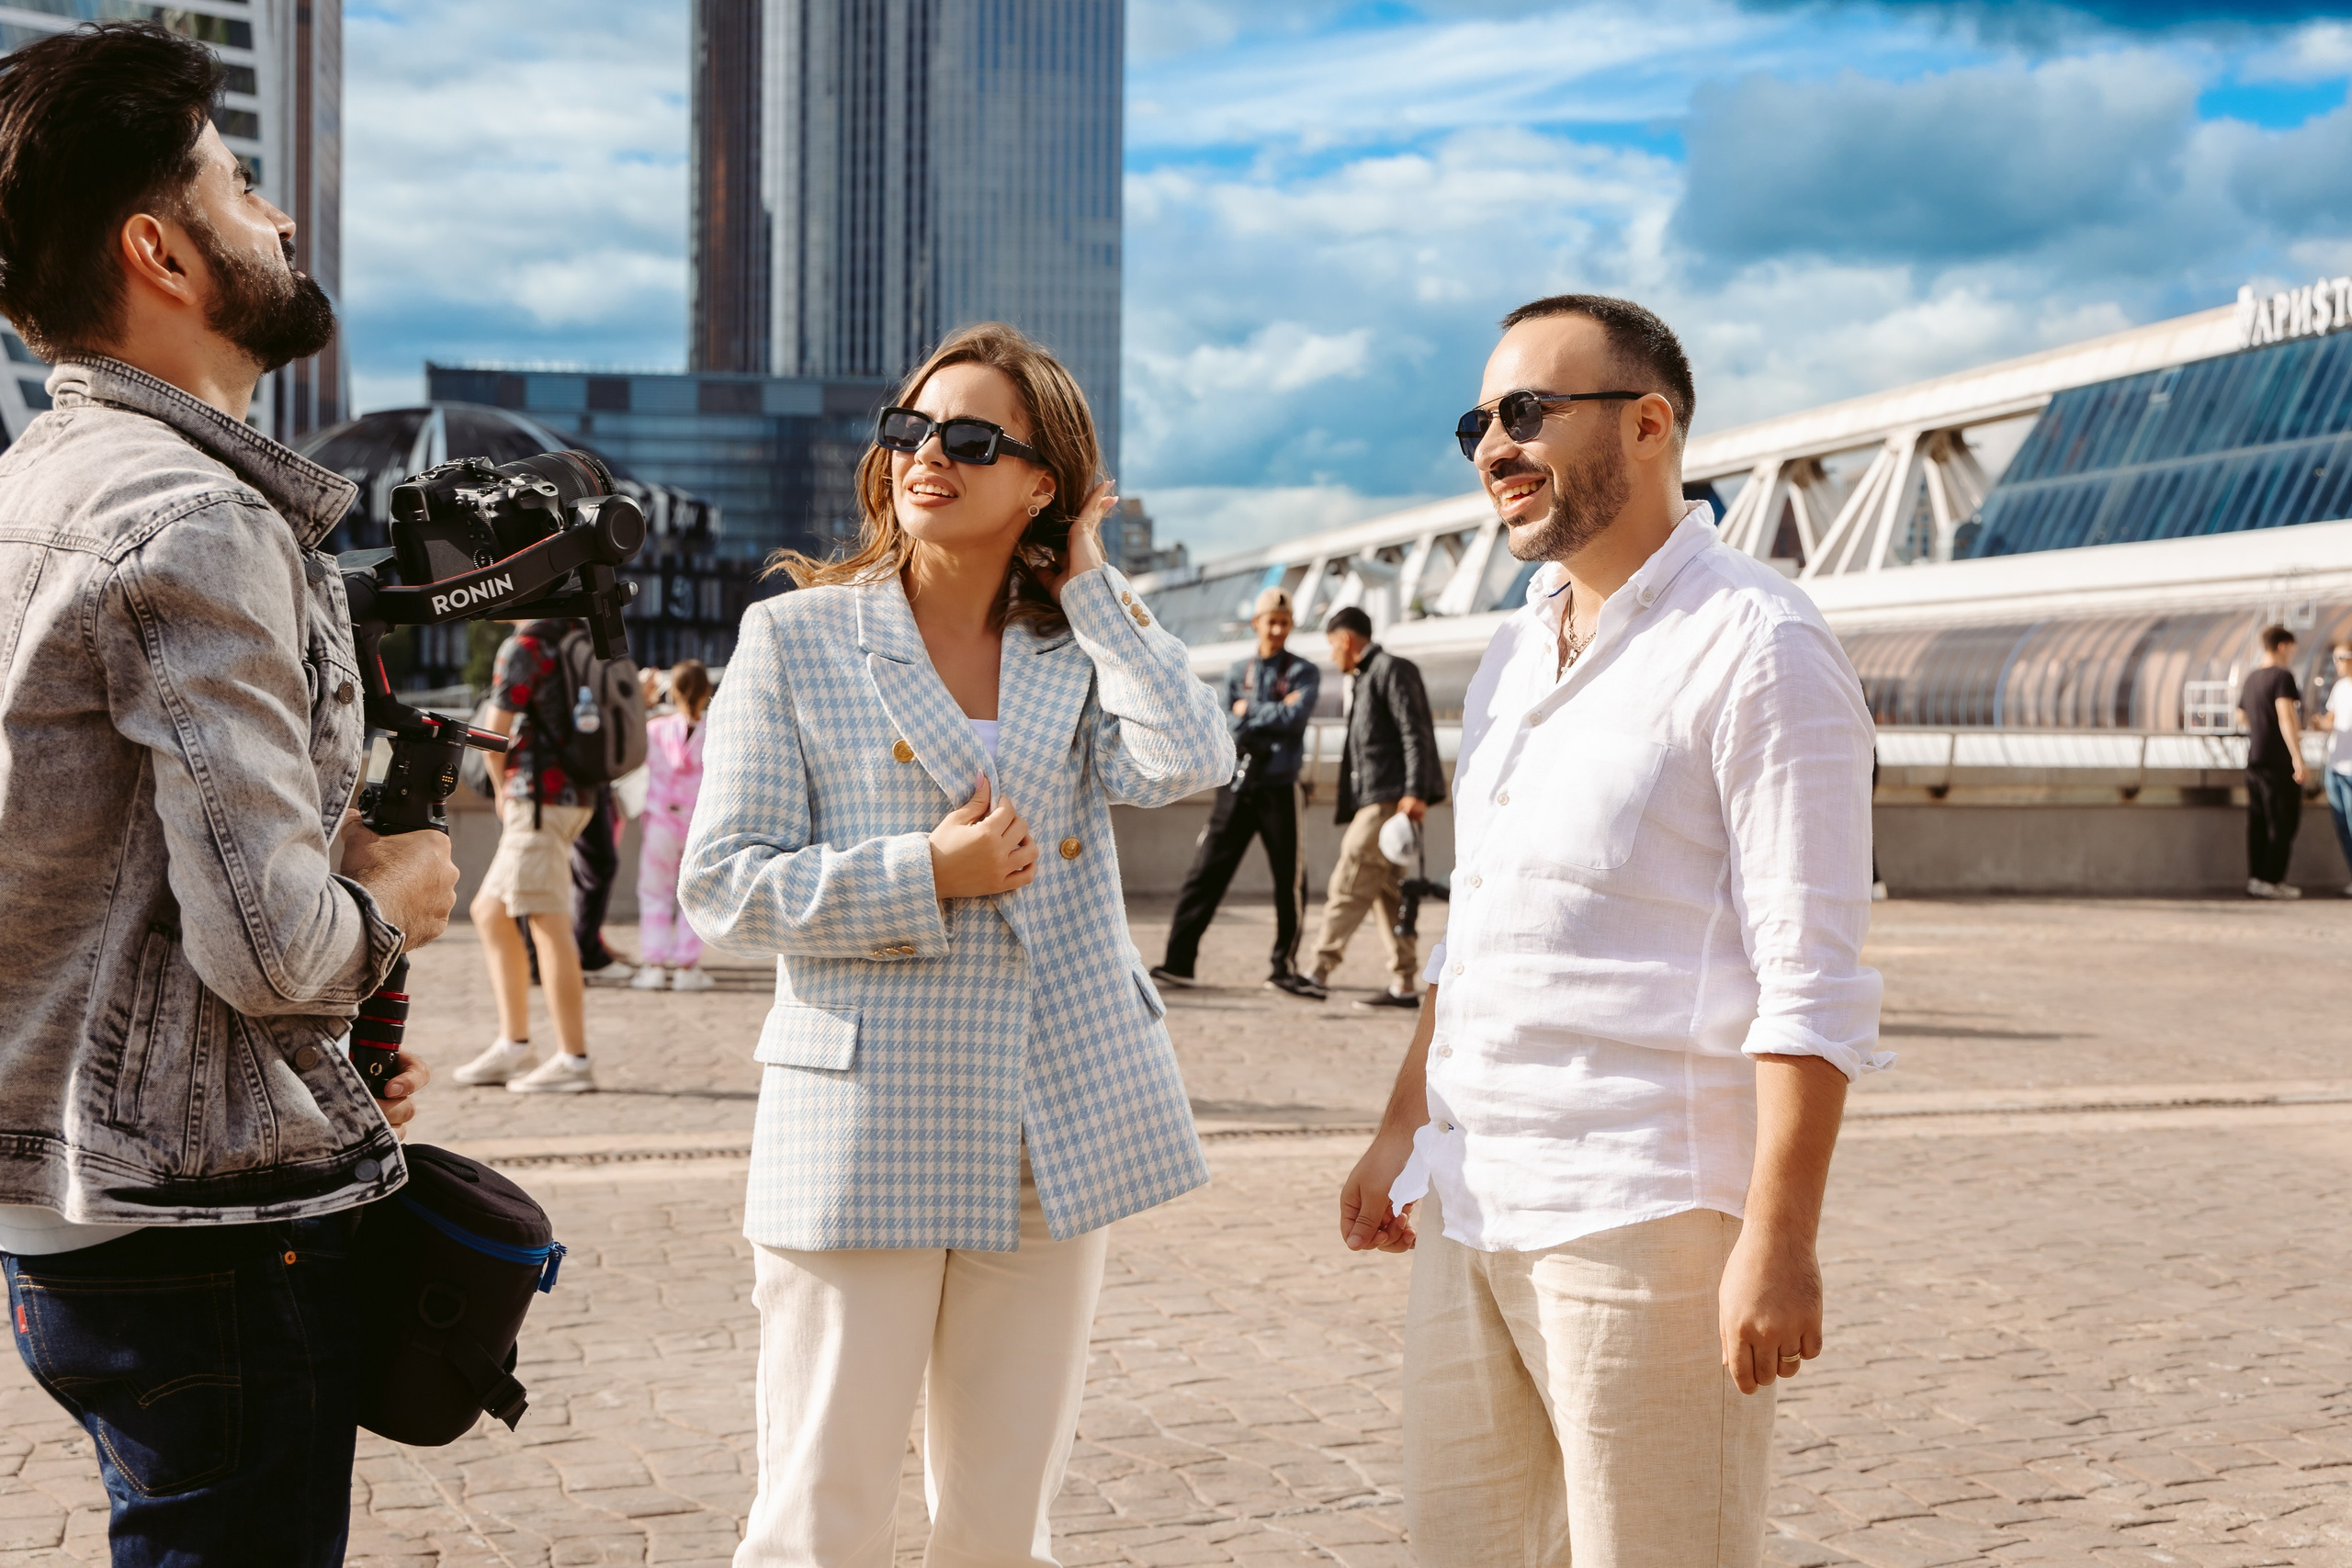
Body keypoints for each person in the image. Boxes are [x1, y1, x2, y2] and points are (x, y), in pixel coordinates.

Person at [0, 23, 455, 1562]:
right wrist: (399, 895)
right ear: (160, 251)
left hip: (63, 1211)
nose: (281, 219)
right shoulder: (193, 520)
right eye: (241, 186)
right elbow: (269, 950)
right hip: (194, 1247)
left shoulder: (29, 490)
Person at [1339, 294, 1886, 1567]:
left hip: (1644, 1210)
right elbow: (1482, 936)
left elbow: (1812, 976)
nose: (1492, 445)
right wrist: (1400, 1122)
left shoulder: (1760, 643)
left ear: (1649, 425)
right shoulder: (1517, 651)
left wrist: (1781, 1236)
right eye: (1478, 419)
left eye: (1527, 411)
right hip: (1473, 1199)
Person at [679, 322, 1232, 1565]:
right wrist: (924, 869)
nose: (930, 454)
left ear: (1042, 480)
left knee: (999, 1520)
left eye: (973, 439)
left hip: (1051, 1122)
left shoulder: (1067, 643)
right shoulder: (799, 635)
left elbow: (1192, 758)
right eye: (910, 429)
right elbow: (721, 885)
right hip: (866, 1112)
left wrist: (1090, 576)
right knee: (823, 1511)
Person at [453, 617, 601, 1091]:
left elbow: (493, 736)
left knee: (545, 919)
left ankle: (574, 1060)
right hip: (574, 793)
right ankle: (514, 1045)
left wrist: (499, 790)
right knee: (490, 911)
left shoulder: (526, 644)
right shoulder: (577, 635)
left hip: (536, 797)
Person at [1154, 588, 1321, 996]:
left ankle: (1283, 967)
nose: (1278, 629)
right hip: (1237, 784)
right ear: (1257, 624)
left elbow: (1296, 719)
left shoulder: (1304, 672)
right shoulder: (1236, 671)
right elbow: (1226, 724)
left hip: (1281, 787)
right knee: (1206, 872)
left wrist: (1251, 711)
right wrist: (1268, 714)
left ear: (1291, 625)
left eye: (1284, 622)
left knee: (1290, 880)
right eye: (1271, 621)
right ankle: (1179, 962)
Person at [1306, 605, 1445, 1008]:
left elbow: (1413, 731)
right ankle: (1403, 984)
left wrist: (1415, 792)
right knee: (1390, 894)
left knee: (1350, 877)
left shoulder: (1390, 669)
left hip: (1387, 801)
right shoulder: (1367, 676)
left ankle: (1316, 972)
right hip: (1380, 798)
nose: (1333, 656)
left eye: (1333, 646)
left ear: (1346, 640)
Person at [633, 660, 716, 991]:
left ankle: (653, 965)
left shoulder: (655, 729)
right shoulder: (717, 731)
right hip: (699, 825)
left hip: (660, 824)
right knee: (694, 897)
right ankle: (686, 966)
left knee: (654, 894)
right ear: (707, 690)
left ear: (673, 690)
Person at [2240, 624, 2306, 900]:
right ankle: (2272, 879)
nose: (2292, 654)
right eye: (2291, 648)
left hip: (2255, 759)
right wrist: (2297, 758)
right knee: (2283, 822)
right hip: (2278, 762)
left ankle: (2257, 878)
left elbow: (2241, 717)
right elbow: (2285, 716)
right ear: (2282, 646)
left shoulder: (2252, 678)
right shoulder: (2282, 677)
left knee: (2258, 822)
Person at [2309, 637, 2352, 897]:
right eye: (2334, 658)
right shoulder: (2339, 688)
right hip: (2335, 766)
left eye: (2341, 657)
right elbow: (2331, 721)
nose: (2336, 663)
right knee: (2342, 825)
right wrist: (2318, 723)